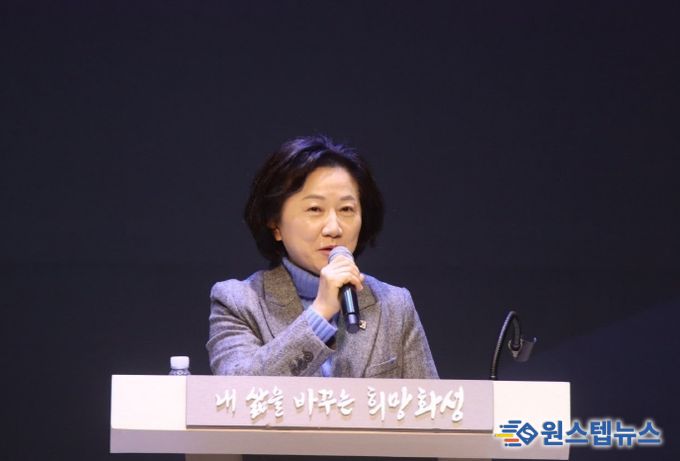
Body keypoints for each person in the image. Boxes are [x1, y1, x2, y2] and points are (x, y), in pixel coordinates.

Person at [207, 135, 438, 379]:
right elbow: (238, 391)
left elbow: (429, 400)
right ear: (275, 223)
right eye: (315, 209)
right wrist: (320, 312)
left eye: (346, 209)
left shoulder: (394, 305)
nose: (333, 228)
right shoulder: (238, 302)